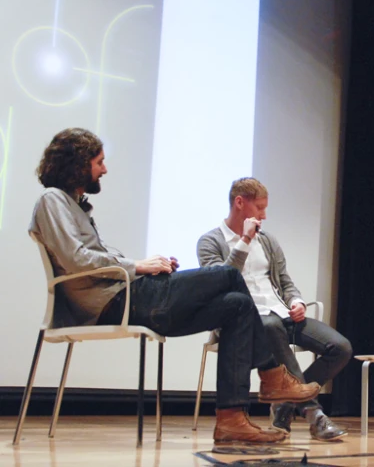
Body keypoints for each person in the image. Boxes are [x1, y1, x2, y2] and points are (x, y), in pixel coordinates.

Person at [29, 128, 320, 446]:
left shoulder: (73, 205)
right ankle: (271, 375)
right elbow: (76, 259)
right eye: (99, 161)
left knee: (237, 304)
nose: (104, 169)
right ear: (78, 163)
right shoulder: (52, 200)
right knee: (228, 276)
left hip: (131, 295)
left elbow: (93, 257)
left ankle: (231, 420)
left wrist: (147, 264)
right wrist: (138, 266)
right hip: (116, 301)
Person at [197, 178, 351, 441]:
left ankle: (285, 404)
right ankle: (315, 416)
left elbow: (285, 281)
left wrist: (296, 302)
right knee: (270, 326)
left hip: (281, 314)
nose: (263, 215)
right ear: (239, 203)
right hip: (245, 322)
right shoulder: (210, 241)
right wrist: (244, 240)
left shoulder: (267, 240)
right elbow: (221, 281)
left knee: (341, 348)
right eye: (259, 208)